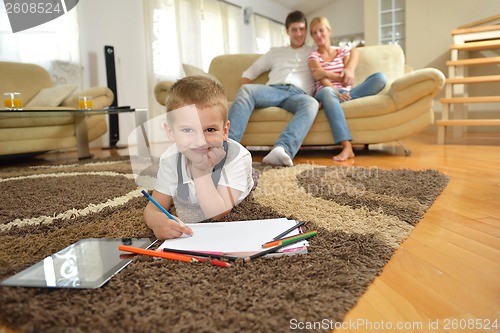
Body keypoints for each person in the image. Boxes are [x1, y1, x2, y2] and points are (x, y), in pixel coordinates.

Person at [144, 75, 254, 239]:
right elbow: (153, 209)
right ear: (170, 132)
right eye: (188, 130)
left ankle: (252, 174)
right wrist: (157, 223)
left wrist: (200, 171)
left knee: (250, 176)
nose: (200, 141)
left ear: (224, 131)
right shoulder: (170, 158)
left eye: (210, 130)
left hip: (234, 184)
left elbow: (218, 213)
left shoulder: (237, 157)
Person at [228, 10, 318, 167]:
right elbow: (249, 73)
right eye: (294, 29)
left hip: (298, 96)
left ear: (306, 30)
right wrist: (247, 97)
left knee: (312, 104)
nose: (298, 33)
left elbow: (340, 56)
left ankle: (282, 150)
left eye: (302, 29)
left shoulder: (314, 52)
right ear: (287, 31)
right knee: (246, 90)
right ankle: (227, 149)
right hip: (273, 91)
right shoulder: (275, 52)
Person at [308, 16, 387, 161]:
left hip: (348, 93)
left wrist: (334, 72)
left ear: (329, 31)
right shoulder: (313, 56)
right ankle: (347, 146)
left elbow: (346, 78)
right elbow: (320, 78)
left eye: (321, 30)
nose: (318, 35)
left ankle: (333, 104)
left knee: (380, 78)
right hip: (326, 92)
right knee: (328, 92)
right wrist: (335, 89)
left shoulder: (342, 52)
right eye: (314, 33)